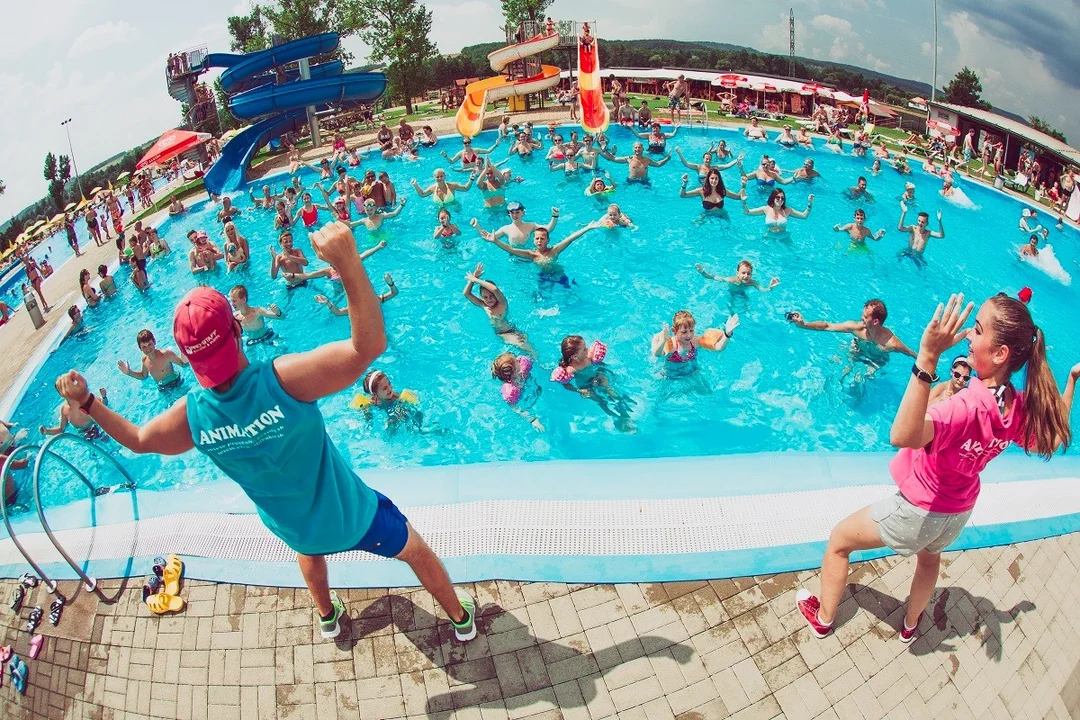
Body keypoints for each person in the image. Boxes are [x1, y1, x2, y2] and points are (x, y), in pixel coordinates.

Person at [51, 221, 478, 642]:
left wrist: (88, 402)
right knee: (414, 549)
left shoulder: (193, 416)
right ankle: (461, 620)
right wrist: (347, 260)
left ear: (185, 354)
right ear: (237, 329)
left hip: (291, 525)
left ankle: (328, 617)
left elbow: (139, 440)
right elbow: (368, 347)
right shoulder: (282, 380)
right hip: (352, 516)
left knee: (309, 551)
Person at [796, 293, 1077, 643]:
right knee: (929, 560)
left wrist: (927, 358)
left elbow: (901, 435)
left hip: (919, 509)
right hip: (958, 510)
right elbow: (1048, 441)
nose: (969, 336)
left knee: (839, 541)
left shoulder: (962, 407)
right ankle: (910, 625)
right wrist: (1071, 382)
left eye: (977, 330)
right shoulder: (1015, 406)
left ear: (1000, 354)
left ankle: (823, 619)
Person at [787, 299, 918, 382]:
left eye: (865, 316)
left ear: (875, 321)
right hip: (858, 348)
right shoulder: (856, 328)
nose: (861, 317)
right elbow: (827, 326)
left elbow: (913, 354)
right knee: (841, 372)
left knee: (860, 381)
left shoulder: (891, 343)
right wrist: (804, 324)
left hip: (877, 358)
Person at [462, 262, 534, 354]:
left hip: (508, 332)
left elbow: (495, 289)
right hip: (501, 334)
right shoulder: (484, 305)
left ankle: (539, 361)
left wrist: (476, 280)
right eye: (485, 297)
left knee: (527, 349)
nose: (489, 299)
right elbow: (466, 293)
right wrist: (472, 279)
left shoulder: (502, 304)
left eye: (492, 296)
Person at [650, 309, 740, 369]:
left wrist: (727, 334)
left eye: (691, 330)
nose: (689, 335)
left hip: (692, 372)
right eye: (684, 332)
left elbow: (719, 347)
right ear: (674, 331)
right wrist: (663, 340)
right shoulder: (672, 344)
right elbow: (657, 354)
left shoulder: (696, 341)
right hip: (670, 373)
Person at [118, 329, 188, 391]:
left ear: (154, 342)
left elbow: (184, 364)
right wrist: (129, 372)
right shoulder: (145, 360)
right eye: (144, 347)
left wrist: (183, 348)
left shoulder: (166, 355)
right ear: (140, 348)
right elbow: (143, 376)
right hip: (162, 388)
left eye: (149, 344)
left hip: (176, 383)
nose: (148, 349)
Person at [471, 202, 559, 247]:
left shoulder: (531, 225)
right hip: (514, 258)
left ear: (523, 213)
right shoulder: (505, 229)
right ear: (509, 214)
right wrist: (477, 226)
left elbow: (548, 229)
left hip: (529, 255)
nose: (514, 215)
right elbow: (489, 237)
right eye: (512, 213)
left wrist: (555, 216)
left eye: (517, 212)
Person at [40, 386, 108, 441]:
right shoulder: (64, 409)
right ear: (61, 394)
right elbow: (61, 429)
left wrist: (103, 397)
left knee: (106, 440)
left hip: (98, 427)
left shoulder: (85, 399)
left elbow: (102, 406)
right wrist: (47, 431)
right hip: (83, 435)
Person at [315, 273, 397, 314]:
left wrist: (390, 283)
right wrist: (327, 303)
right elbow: (338, 312)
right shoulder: (356, 307)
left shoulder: (375, 300)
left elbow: (394, 293)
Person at [897, 202, 944, 268]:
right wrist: (904, 212)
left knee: (924, 268)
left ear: (927, 223)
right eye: (919, 221)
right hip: (908, 251)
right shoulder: (912, 228)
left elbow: (941, 236)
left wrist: (939, 221)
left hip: (918, 256)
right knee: (897, 261)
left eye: (922, 222)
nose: (920, 223)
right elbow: (900, 228)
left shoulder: (928, 233)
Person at [741, 188, 813, 231]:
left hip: (784, 238)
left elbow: (804, 216)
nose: (780, 200)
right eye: (778, 197)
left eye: (782, 198)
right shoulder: (766, 209)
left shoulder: (788, 210)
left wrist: (810, 204)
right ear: (773, 198)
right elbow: (747, 212)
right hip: (769, 237)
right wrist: (744, 201)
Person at [601, 142, 670, 183]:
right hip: (631, 181)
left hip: (644, 182)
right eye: (636, 147)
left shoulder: (647, 160)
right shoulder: (629, 159)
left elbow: (658, 164)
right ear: (633, 149)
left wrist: (668, 158)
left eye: (639, 147)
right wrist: (605, 150)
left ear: (643, 149)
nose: (637, 149)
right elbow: (614, 158)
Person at [695, 260, 779, 292]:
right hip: (732, 292)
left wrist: (770, 287)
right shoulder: (731, 280)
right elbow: (714, 277)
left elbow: (763, 290)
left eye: (748, 273)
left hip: (742, 293)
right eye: (743, 273)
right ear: (737, 273)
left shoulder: (752, 282)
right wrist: (703, 273)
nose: (746, 276)